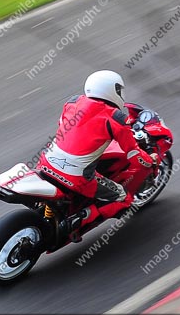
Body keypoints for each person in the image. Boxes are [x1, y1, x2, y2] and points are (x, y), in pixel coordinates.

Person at [36, 70, 156, 240]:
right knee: (124, 199)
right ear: (112, 91)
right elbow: (133, 153)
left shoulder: (72, 102)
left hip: (46, 162)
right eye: (119, 90)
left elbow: (66, 127)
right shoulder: (115, 117)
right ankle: (77, 221)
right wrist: (149, 160)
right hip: (76, 177)